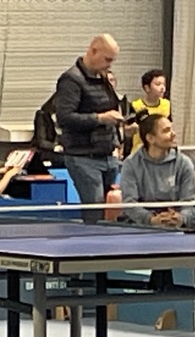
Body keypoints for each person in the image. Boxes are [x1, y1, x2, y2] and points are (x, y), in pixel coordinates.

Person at [54, 34, 124, 212]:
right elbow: (64, 118)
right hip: (83, 156)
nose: (110, 65)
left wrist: (119, 137)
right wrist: (99, 119)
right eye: (107, 59)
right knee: (95, 210)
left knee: (111, 210)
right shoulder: (71, 80)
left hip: (108, 155)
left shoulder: (104, 78)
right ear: (93, 51)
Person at [119, 112, 195, 227]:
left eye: (172, 129)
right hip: (140, 227)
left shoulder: (184, 163)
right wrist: (151, 220)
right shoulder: (130, 164)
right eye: (166, 131)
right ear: (150, 138)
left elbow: (190, 202)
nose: (173, 134)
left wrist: (181, 218)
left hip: (177, 226)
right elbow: (130, 203)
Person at [125, 67, 170, 158]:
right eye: (158, 84)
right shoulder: (135, 106)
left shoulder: (167, 104)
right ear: (147, 88)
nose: (162, 88)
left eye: (164, 84)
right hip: (139, 151)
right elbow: (126, 129)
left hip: (161, 150)